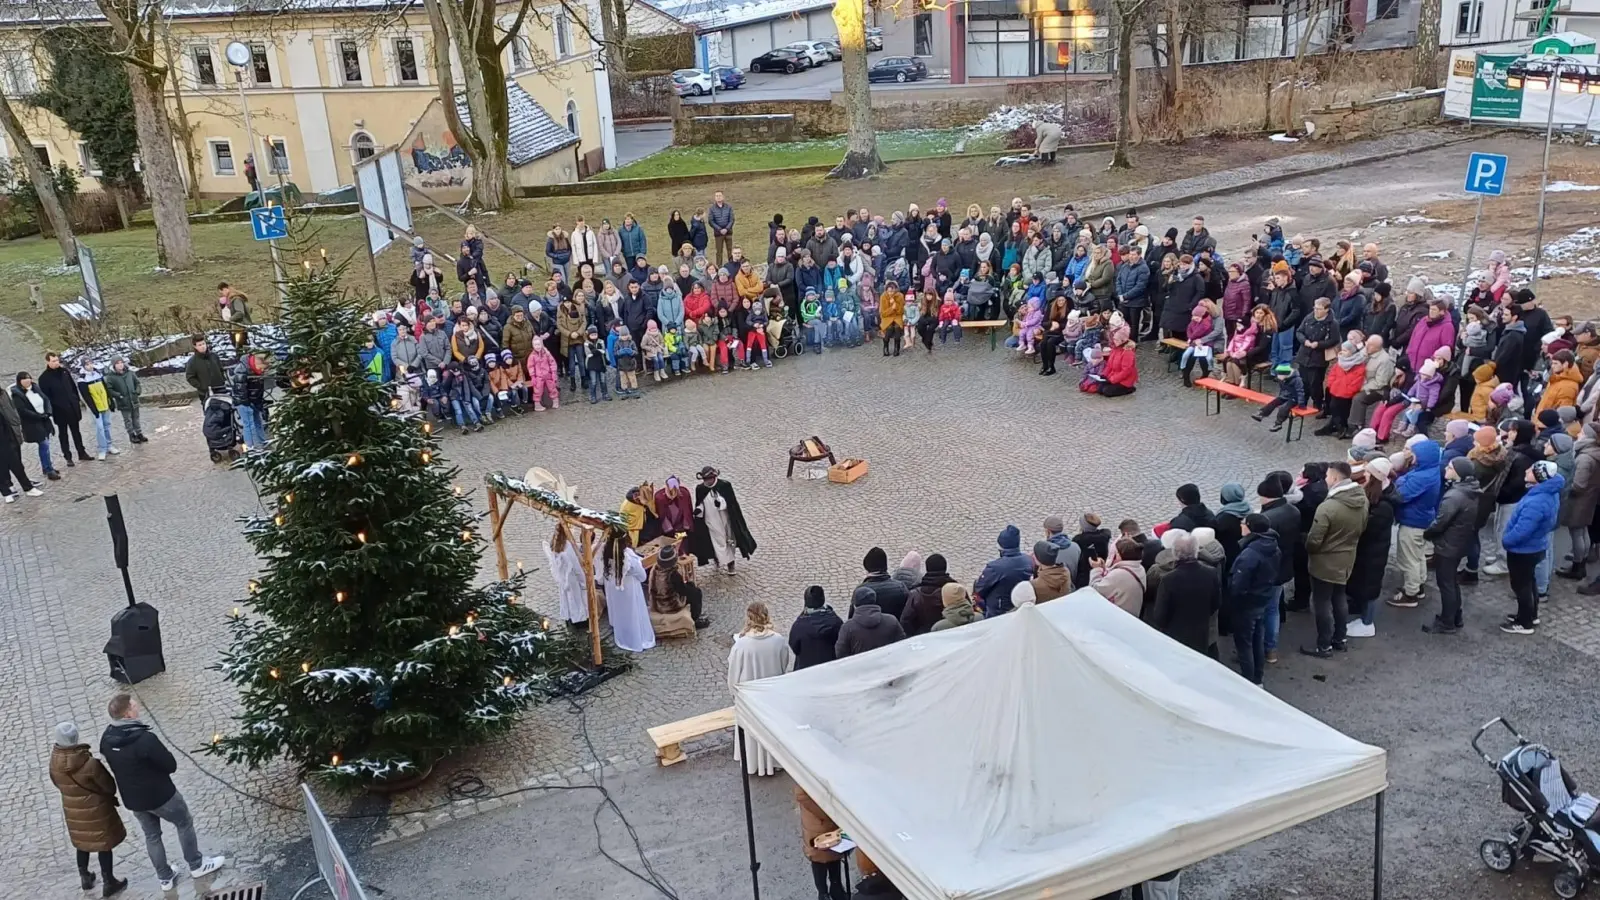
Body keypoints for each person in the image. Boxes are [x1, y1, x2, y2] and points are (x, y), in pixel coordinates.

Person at [100, 693, 226, 892]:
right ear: (128, 714)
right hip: (161, 796)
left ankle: (165, 878)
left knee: (152, 836)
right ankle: (196, 864)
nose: (137, 705)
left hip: (134, 800)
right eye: (134, 704)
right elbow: (170, 765)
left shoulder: (106, 740)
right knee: (184, 822)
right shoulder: (144, 739)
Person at [50, 722, 128, 897]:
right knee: (103, 844)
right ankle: (109, 882)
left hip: (73, 810)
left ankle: (85, 877)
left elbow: (56, 783)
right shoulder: (90, 763)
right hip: (97, 809)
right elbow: (109, 786)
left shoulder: (54, 761)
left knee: (81, 842)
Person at [1300, 462, 1367, 658]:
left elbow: (1314, 540)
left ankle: (1324, 645)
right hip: (1346, 559)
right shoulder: (1362, 499)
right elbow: (1362, 527)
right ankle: (1340, 638)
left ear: (1336, 479)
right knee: (1339, 598)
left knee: (1321, 603)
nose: (1326, 480)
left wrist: (1308, 548)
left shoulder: (1328, 507)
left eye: (1328, 477)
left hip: (1325, 563)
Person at [728, 601, 791, 775]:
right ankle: (775, 761)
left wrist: (734, 693)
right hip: (772, 693)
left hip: (749, 696)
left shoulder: (741, 645)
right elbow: (784, 663)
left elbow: (734, 672)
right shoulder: (778, 640)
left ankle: (754, 762)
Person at [1502, 461, 1563, 634]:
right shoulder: (1547, 492)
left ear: (1539, 477)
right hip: (1534, 546)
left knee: (1521, 586)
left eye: (1531, 470)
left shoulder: (1537, 501)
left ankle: (1525, 622)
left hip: (1524, 549)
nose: (1527, 470)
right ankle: (1530, 615)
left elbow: (1523, 530)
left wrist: (1507, 541)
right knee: (1529, 583)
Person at [1423, 457, 1482, 635]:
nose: (1446, 469)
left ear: (1458, 473)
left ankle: (1447, 622)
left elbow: (1441, 522)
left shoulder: (1455, 496)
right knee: (1451, 582)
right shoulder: (1468, 490)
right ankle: (1455, 616)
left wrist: (1428, 534)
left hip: (1449, 544)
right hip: (1458, 542)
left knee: (1446, 583)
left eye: (1450, 467)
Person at [1386, 440, 1442, 609]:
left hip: (1412, 521)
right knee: (1418, 556)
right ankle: (1418, 586)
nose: (1411, 456)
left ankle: (1410, 594)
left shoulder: (1421, 477)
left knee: (1408, 559)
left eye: (1415, 453)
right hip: (1422, 519)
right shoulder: (1429, 471)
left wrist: (1392, 485)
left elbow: (1399, 495)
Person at [1230, 513, 1281, 685]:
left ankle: (1249, 682)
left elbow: (1238, 584)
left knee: (1244, 645)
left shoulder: (1250, 554)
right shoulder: (1273, 546)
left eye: (1243, 523)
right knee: (1257, 639)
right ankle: (1258, 679)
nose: (1241, 525)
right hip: (1262, 599)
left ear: (1250, 527)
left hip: (1247, 604)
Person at [1150, 532, 1218, 656]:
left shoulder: (1168, 580)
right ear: (1196, 551)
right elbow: (1216, 603)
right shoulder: (1211, 573)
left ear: (1175, 553)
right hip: (1201, 633)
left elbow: (1160, 616)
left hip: (1175, 635)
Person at [686, 466, 756, 575]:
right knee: (716, 541)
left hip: (726, 518)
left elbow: (732, 503)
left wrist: (722, 503)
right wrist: (699, 510)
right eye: (705, 480)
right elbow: (701, 503)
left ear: (714, 477)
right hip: (711, 520)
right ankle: (717, 557)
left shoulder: (724, 486)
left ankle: (731, 564)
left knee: (729, 539)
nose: (707, 482)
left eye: (709, 479)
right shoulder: (700, 489)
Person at [598, 532, 654, 652]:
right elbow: (642, 576)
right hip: (629, 589)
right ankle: (636, 638)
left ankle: (622, 634)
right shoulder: (628, 556)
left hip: (613, 587)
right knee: (632, 612)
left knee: (620, 612)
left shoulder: (605, 551)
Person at [796, 786, 850, 900]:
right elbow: (802, 795)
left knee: (833, 854)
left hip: (825, 820)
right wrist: (829, 813)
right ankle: (824, 893)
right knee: (819, 858)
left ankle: (835, 888)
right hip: (819, 822)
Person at [973, 525, 1035, 617]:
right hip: (1021, 604)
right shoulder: (1028, 560)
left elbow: (980, 588)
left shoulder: (995, 567)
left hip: (999, 610)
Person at [647, 543, 708, 636]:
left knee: (691, 587)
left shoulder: (654, 569)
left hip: (656, 603)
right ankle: (695, 619)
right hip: (669, 605)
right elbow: (683, 590)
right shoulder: (672, 574)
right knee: (696, 593)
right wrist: (691, 585)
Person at [40, 352, 90, 464]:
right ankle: (68, 456)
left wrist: (76, 400)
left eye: (57, 360)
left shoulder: (64, 372)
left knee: (76, 431)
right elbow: (46, 398)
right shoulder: (44, 378)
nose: (56, 363)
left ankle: (81, 452)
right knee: (63, 434)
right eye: (53, 361)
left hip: (72, 407)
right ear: (48, 362)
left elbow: (73, 387)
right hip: (59, 411)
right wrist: (53, 409)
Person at [11, 372, 60, 480]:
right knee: (44, 444)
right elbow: (22, 411)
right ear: (19, 381)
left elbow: (46, 400)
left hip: (44, 421)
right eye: (24, 379)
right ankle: (48, 469)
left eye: (28, 378)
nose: (27, 380)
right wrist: (38, 416)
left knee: (45, 444)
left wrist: (47, 412)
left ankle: (46, 466)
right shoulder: (17, 394)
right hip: (33, 424)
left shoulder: (36, 387)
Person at [836, 586, 905, 658]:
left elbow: (840, 653)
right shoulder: (891, 620)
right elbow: (902, 643)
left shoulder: (847, 627)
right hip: (889, 664)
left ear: (855, 605)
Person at [544, 524, 589, 630]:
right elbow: (576, 566)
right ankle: (579, 621)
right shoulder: (569, 546)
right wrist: (584, 581)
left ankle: (569, 617)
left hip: (563, 578)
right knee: (577, 600)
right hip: (572, 578)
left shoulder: (554, 544)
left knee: (567, 597)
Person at [900, 553, 957, 636]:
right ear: (945, 568)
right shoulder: (956, 590)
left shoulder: (916, 593)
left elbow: (905, 620)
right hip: (952, 636)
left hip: (923, 638)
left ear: (927, 568)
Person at [789, 586, 843, 669]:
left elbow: (794, 646)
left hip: (805, 670)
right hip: (830, 669)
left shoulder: (799, 625)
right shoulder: (836, 622)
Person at [1089, 537, 1147, 616]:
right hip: (1132, 614)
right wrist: (1104, 568)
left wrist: (1096, 569)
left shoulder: (1119, 575)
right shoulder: (1139, 568)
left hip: (1117, 617)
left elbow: (1095, 590)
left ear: (1119, 555)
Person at [102, 359, 145, 445]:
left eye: (121, 363)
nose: (120, 365)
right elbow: (109, 390)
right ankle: (131, 435)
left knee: (136, 418)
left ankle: (139, 433)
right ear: (114, 365)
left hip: (133, 399)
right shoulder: (111, 377)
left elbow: (137, 383)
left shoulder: (130, 373)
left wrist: (137, 391)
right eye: (117, 363)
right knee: (128, 419)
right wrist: (118, 395)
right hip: (123, 402)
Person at [709, 191, 735, 266]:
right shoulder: (712, 209)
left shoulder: (728, 207)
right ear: (715, 198)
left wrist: (726, 228)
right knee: (719, 251)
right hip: (718, 234)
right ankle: (719, 267)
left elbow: (732, 219)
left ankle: (732, 265)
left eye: (720, 195)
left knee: (730, 250)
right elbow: (711, 221)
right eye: (716, 196)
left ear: (723, 197)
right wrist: (720, 229)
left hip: (728, 232)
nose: (718, 197)